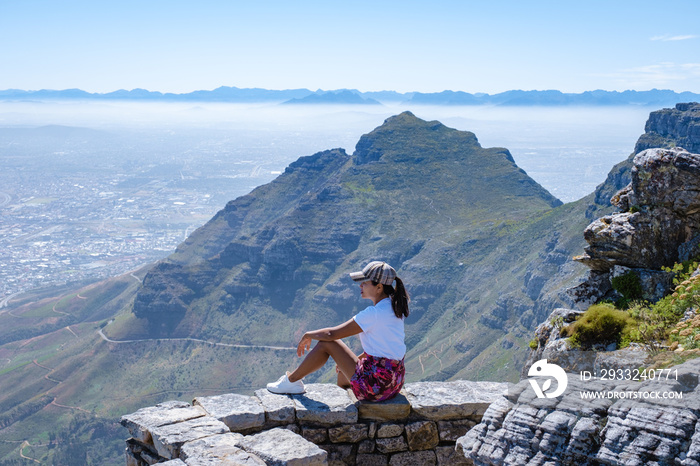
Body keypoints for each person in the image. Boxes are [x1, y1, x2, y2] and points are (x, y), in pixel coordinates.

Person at [266, 261, 410, 402]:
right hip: (394, 383)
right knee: (341, 372)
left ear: (379, 287)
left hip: (376, 386)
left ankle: (291, 382)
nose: (360, 285)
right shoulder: (394, 308)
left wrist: (308, 334)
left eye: (365, 282)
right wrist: (354, 360)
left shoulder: (374, 313)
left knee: (327, 343)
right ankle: (349, 405)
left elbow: (331, 335)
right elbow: (384, 348)